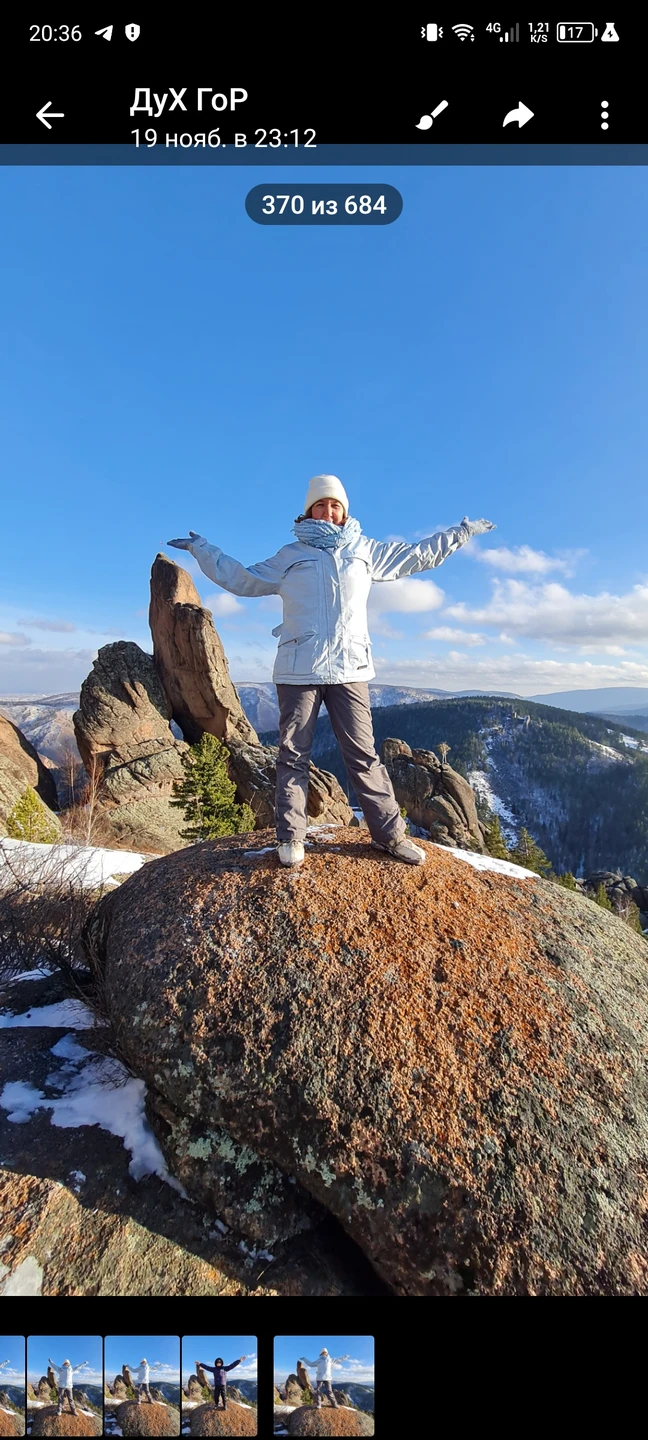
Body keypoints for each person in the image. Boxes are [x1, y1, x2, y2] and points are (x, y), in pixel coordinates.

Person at [168, 475, 494, 869]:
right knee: (292, 756)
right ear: (308, 511)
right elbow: (243, 579)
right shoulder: (291, 554)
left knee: (363, 755)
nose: (328, 511)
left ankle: (389, 837)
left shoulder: (364, 552)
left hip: (350, 668)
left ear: (344, 511)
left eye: (335, 505)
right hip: (298, 669)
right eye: (320, 505)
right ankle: (290, 838)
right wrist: (204, 550)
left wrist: (458, 535)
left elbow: (416, 555)